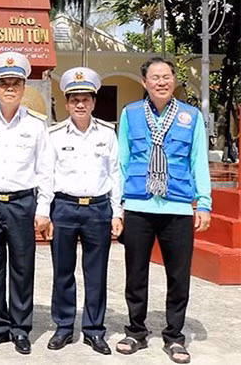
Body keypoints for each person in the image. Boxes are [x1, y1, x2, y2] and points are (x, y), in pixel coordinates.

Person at [115, 57, 211, 364]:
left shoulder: (191, 116)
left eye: (166, 76)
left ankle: (174, 336)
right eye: (155, 77)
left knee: (178, 276)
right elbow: (121, 162)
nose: (161, 82)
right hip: (138, 204)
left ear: (174, 80)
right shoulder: (130, 114)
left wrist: (204, 203)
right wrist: (118, 207)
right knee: (136, 273)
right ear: (144, 82)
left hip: (178, 206)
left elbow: (198, 161)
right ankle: (136, 331)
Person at [0, 51, 53, 355]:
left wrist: (43, 209)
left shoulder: (36, 125)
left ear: (23, 87)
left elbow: (45, 170)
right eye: (3, 83)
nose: (9, 88)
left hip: (22, 203)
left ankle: (20, 329)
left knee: (22, 267)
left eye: (15, 83)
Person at [46, 67, 123, 355]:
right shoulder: (54, 135)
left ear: (94, 102)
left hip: (98, 209)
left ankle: (94, 330)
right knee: (63, 271)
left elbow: (115, 174)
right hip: (64, 207)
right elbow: (46, 175)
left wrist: (117, 212)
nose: (80, 104)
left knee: (96, 273)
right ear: (66, 104)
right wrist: (45, 212)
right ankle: (64, 326)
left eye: (85, 99)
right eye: (74, 99)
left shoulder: (107, 133)